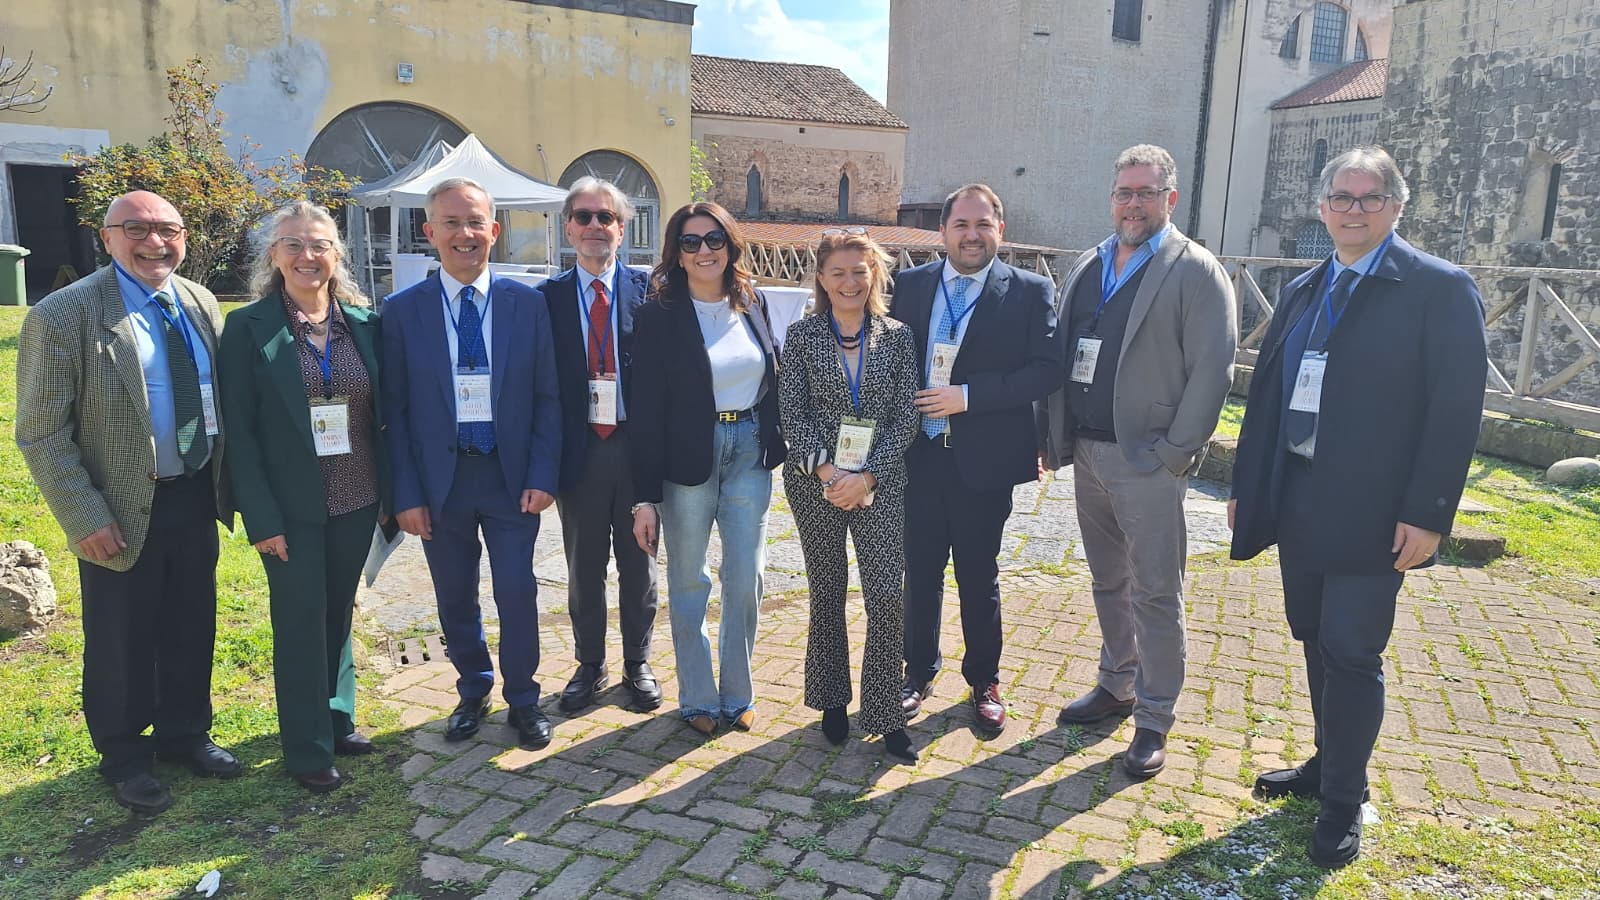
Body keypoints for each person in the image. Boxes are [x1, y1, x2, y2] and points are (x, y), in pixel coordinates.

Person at [1228, 146, 1488, 868]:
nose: (1354, 210)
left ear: (1396, 207)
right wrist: (1249, 487)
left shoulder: (1438, 288)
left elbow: (1455, 409)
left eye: (1370, 198)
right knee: (1314, 636)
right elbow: (1267, 398)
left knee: (1351, 648)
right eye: (1341, 197)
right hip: (1300, 497)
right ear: (1322, 208)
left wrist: (1430, 512)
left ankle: (1344, 801)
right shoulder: (1305, 288)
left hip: (1377, 512)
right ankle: (1327, 764)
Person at [14, 190, 239, 816]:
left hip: (193, 493)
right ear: (107, 237)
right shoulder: (64, 314)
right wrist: (85, 516)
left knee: (192, 624)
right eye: (136, 229)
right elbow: (41, 431)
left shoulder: (198, 302)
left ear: (184, 237)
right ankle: (124, 755)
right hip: (115, 508)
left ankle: (185, 734)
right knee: (121, 638)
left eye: (168, 229)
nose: (154, 242)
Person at [1039, 145, 1238, 778]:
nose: (1133, 204)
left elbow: (1214, 369)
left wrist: (1175, 454)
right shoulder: (1090, 262)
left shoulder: (1196, 270)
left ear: (1169, 199)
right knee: (1108, 579)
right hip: (1088, 450)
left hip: (1147, 458)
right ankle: (1117, 683)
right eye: (1124, 192)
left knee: (1155, 591)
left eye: (1146, 192)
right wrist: (1054, 434)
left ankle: (1154, 717)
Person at [381, 178, 563, 749]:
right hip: (442, 483)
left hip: (511, 480)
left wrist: (543, 475)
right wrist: (406, 494)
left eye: (476, 222)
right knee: (454, 594)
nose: (465, 234)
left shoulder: (527, 305)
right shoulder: (401, 312)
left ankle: (524, 699)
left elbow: (548, 397)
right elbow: (395, 413)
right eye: (452, 223)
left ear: (495, 230)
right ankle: (473, 688)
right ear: (430, 232)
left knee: (517, 592)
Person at [218, 201, 385, 793]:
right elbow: (239, 433)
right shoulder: (249, 328)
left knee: (337, 612)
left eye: (319, 245)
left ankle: (337, 717)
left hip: (357, 497)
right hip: (289, 507)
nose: (307, 256)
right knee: (299, 621)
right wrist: (261, 517)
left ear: (337, 254)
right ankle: (307, 747)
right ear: (274, 255)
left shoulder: (363, 323)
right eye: (293, 244)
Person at [891, 184, 1061, 734]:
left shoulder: (1031, 291)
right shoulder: (909, 285)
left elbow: (1046, 370)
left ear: (999, 231)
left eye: (983, 225)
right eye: (961, 225)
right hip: (917, 456)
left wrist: (968, 396)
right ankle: (917, 672)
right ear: (942, 231)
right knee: (919, 571)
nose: (972, 235)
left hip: (983, 462)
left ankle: (984, 680)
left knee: (978, 574)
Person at [629, 202, 784, 735]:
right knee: (689, 580)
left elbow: (773, 375)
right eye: (690, 242)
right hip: (685, 456)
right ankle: (697, 696)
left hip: (749, 450)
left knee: (746, 576)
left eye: (714, 239)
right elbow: (645, 410)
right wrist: (644, 497)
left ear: (730, 244)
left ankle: (738, 694)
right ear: (676, 252)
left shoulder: (753, 301)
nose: (704, 251)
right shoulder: (658, 315)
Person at [779, 231, 919, 762]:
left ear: (874, 274)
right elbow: (792, 413)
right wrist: (830, 472)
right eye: (838, 272)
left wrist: (867, 477)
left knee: (885, 595)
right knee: (827, 590)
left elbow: (905, 418)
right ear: (821, 278)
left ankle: (885, 713)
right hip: (816, 482)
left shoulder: (898, 337)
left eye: (860, 271)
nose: (850, 282)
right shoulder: (801, 336)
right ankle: (832, 699)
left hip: (879, 484)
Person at [537, 178, 661, 713]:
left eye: (605, 217)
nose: (594, 226)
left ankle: (638, 661)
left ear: (622, 228)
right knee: (584, 567)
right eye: (583, 217)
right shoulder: (544, 299)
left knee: (640, 562)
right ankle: (590, 664)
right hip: (580, 452)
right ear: (568, 227)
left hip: (635, 448)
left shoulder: (651, 292)